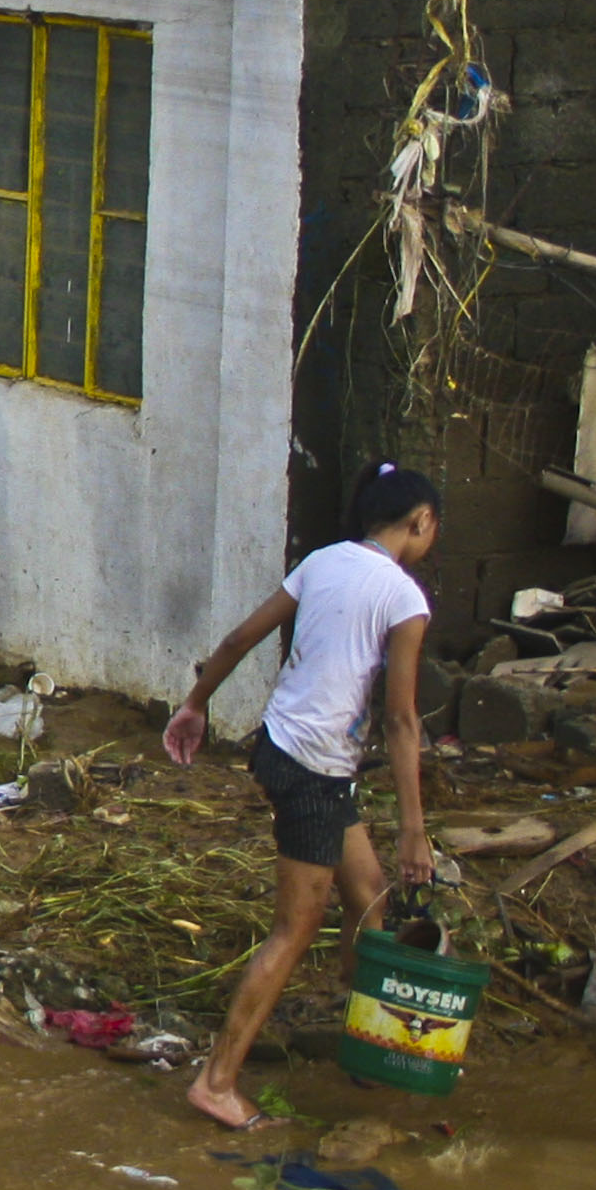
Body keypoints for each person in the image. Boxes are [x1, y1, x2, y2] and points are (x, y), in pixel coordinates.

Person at [166, 465, 446, 1132]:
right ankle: (217, 1081)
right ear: (421, 521)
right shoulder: (404, 599)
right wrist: (414, 829)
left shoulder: (323, 561)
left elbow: (239, 638)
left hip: (283, 750)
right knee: (297, 928)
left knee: (370, 895)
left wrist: (196, 704)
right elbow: (404, 721)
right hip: (315, 772)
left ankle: (366, 1043)